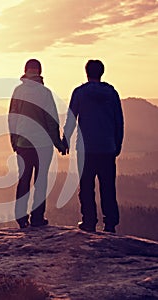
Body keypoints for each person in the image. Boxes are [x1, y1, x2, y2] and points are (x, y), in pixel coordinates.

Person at [63, 59, 124, 233]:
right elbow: (119, 121)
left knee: (86, 186)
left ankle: (89, 221)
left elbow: (71, 119)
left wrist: (65, 140)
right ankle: (110, 223)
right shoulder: (111, 94)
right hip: (107, 147)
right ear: (102, 72)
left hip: (85, 148)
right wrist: (117, 144)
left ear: (86, 72)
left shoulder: (79, 93)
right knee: (108, 186)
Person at [8, 59, 65, 229]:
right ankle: (37, 218)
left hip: (23, 143)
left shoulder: (18, 91)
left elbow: (12, 117)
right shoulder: (45, 93)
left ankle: (21, 218)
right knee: (41, 181)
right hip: (43, 144)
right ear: (39, 72)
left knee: (24, 179)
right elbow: (51, 120)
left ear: (25, 71)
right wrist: (59, 144)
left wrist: (13, 140)